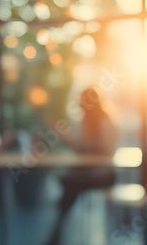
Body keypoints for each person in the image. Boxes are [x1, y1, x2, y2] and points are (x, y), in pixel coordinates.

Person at [47, 87, 118, 245]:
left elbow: (104, 150)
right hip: (92, 173)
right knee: (69, 183)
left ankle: (56, 233)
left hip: (105, 175)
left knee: (70, 184)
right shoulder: (87, 122)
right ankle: (56, 232)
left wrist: (77, 144)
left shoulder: (104, 121)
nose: (80, 105)